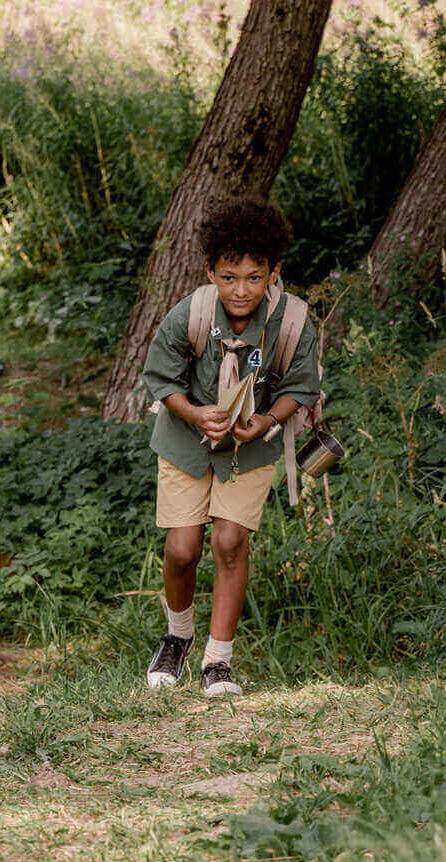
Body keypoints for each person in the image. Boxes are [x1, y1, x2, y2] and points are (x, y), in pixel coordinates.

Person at [139, 199, 321, 698]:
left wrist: (266, 419)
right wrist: (197, 413)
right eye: (229, 277)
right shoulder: (191, 314)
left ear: (273, 273)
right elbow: (160, 378)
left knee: (229, 543)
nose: (241, 290)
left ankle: (218, 661)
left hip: (250, 447)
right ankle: (177, 638)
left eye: (254, 277)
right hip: (186, 439)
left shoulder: (292, 321)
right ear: (210, 272)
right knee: (181, 549)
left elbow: (301, 387)